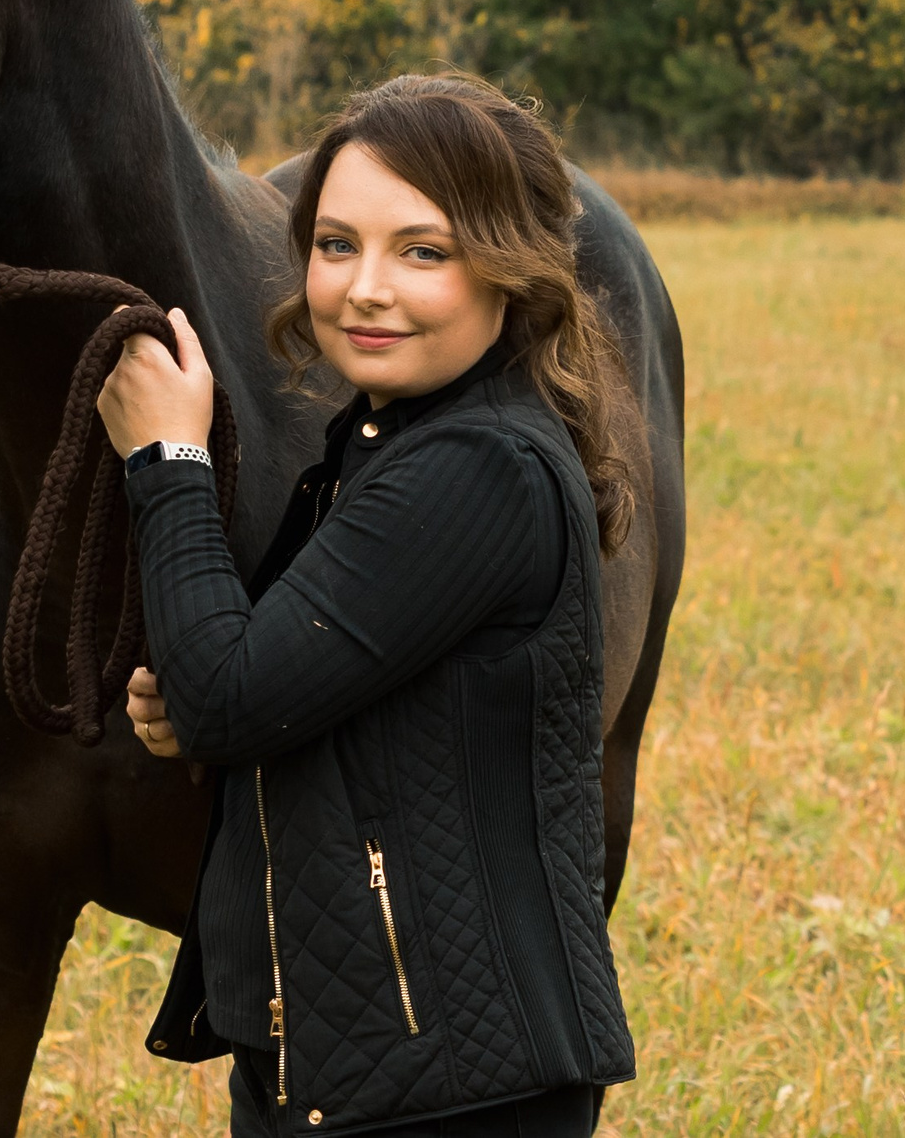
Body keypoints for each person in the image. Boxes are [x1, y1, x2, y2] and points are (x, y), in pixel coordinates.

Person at [96, 73, 641, 1137]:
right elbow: (282, 684)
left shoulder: (476, 470)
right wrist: (212, 676)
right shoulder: (389, 446)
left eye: (422, 252)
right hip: (357, 1058)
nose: (364, 288)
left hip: (452, 1092)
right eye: (336, 244)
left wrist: (167, 457)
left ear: (510, 268)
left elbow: (230, 700)